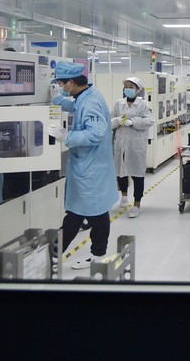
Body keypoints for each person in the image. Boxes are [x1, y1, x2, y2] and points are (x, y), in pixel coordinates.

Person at [47, 61, 117, 270]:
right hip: (91, 165)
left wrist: (67, 136)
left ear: (70, 82)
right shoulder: (87, 95)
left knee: (81, 214)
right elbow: (76, 105)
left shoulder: (90, 102)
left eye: (61, 84)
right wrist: (59, 100)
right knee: (96, 213)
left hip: (90, 168)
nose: (60, 86)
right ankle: (97, 254)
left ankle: (54, 256)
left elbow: (96, 133)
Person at [110, 76, 154, 218]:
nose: (128, 89)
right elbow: (109, 121)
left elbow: (149, 120)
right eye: (126, 87)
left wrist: (132, 122)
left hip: (136, 144)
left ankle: (137, 203)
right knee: (121, 171)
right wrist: (117, 121)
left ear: (137, 89)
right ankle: (123, 195)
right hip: (120, 142)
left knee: (137, 174)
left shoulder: (143, 105)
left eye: (131, 87)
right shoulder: (118, 104)